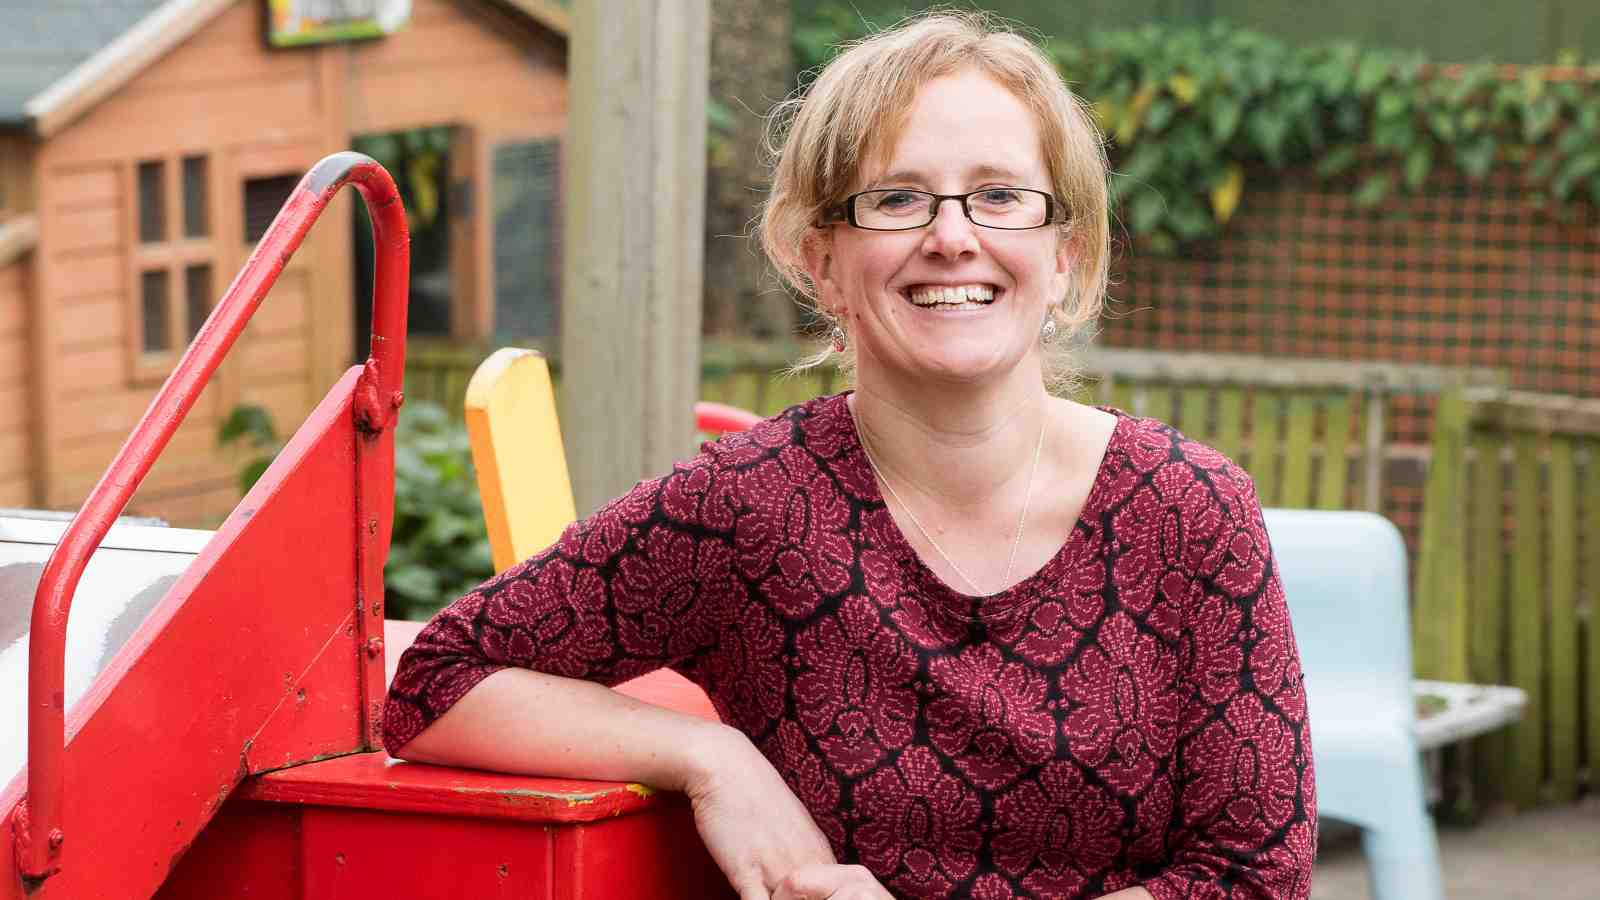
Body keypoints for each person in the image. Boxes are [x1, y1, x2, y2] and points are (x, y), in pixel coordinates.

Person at [382, 11, 1315, 899]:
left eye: (999, 195)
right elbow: (438, 682)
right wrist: (711, 758)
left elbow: (1255, 876)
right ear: (820, 259)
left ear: (1064, 252)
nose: (954, 237)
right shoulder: (754, 508)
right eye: (899, 198)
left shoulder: (1190, 511)